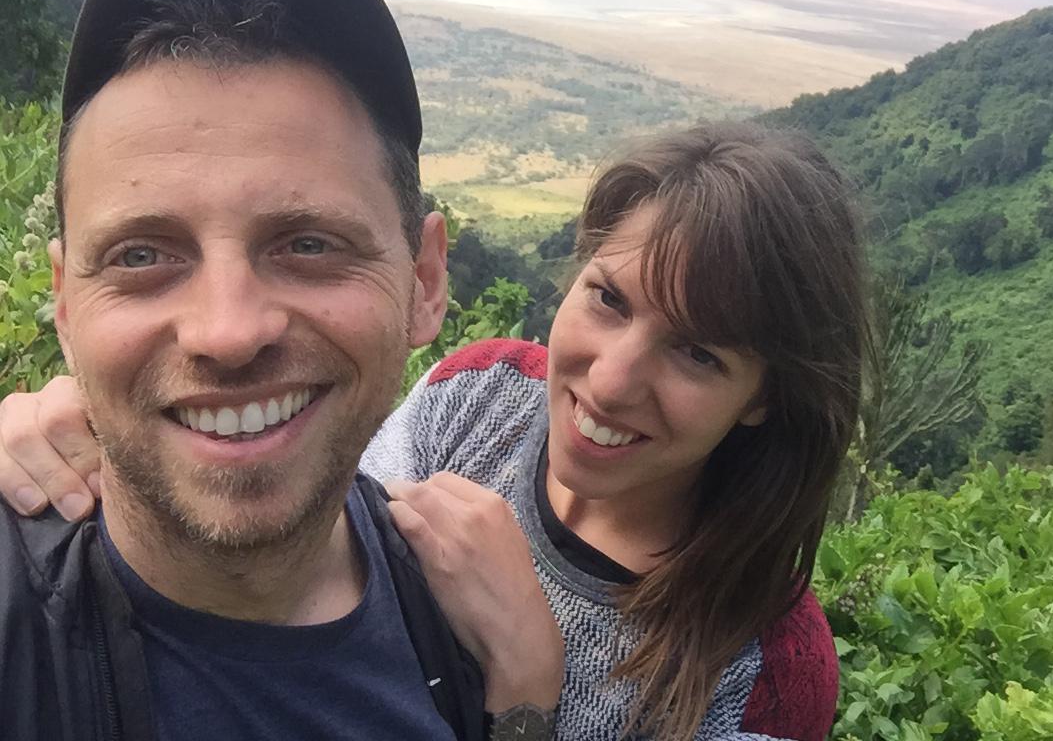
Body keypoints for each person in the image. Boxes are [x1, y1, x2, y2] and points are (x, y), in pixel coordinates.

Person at [3, 116, 872, 739]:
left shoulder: (762, 668)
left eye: (696, 354)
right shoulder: (483, 393)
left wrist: (530, 696)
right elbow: (301, 534)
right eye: (608, 299)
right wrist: (116, 431)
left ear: (766, 394)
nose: (610, 382)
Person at [0, 0, 563, 741]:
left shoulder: (469, 622)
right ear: (69, 304)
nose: (226, 332)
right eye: (143, 257)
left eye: (307, 243)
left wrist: (524, 710)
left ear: (424, 280)